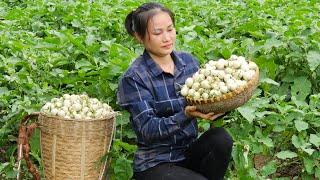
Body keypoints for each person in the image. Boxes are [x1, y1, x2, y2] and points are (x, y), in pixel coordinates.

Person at [117, 2, 233, 180]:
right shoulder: (134, 78)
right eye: (157, 33)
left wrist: (222, 105)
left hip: (187, 152)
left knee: (221, 138)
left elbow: (205, 100)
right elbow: (148, 131)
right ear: (139, 37)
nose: (167, 38)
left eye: (170, 29)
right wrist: (185, 115)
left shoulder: (188, 62)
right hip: (156, 163)